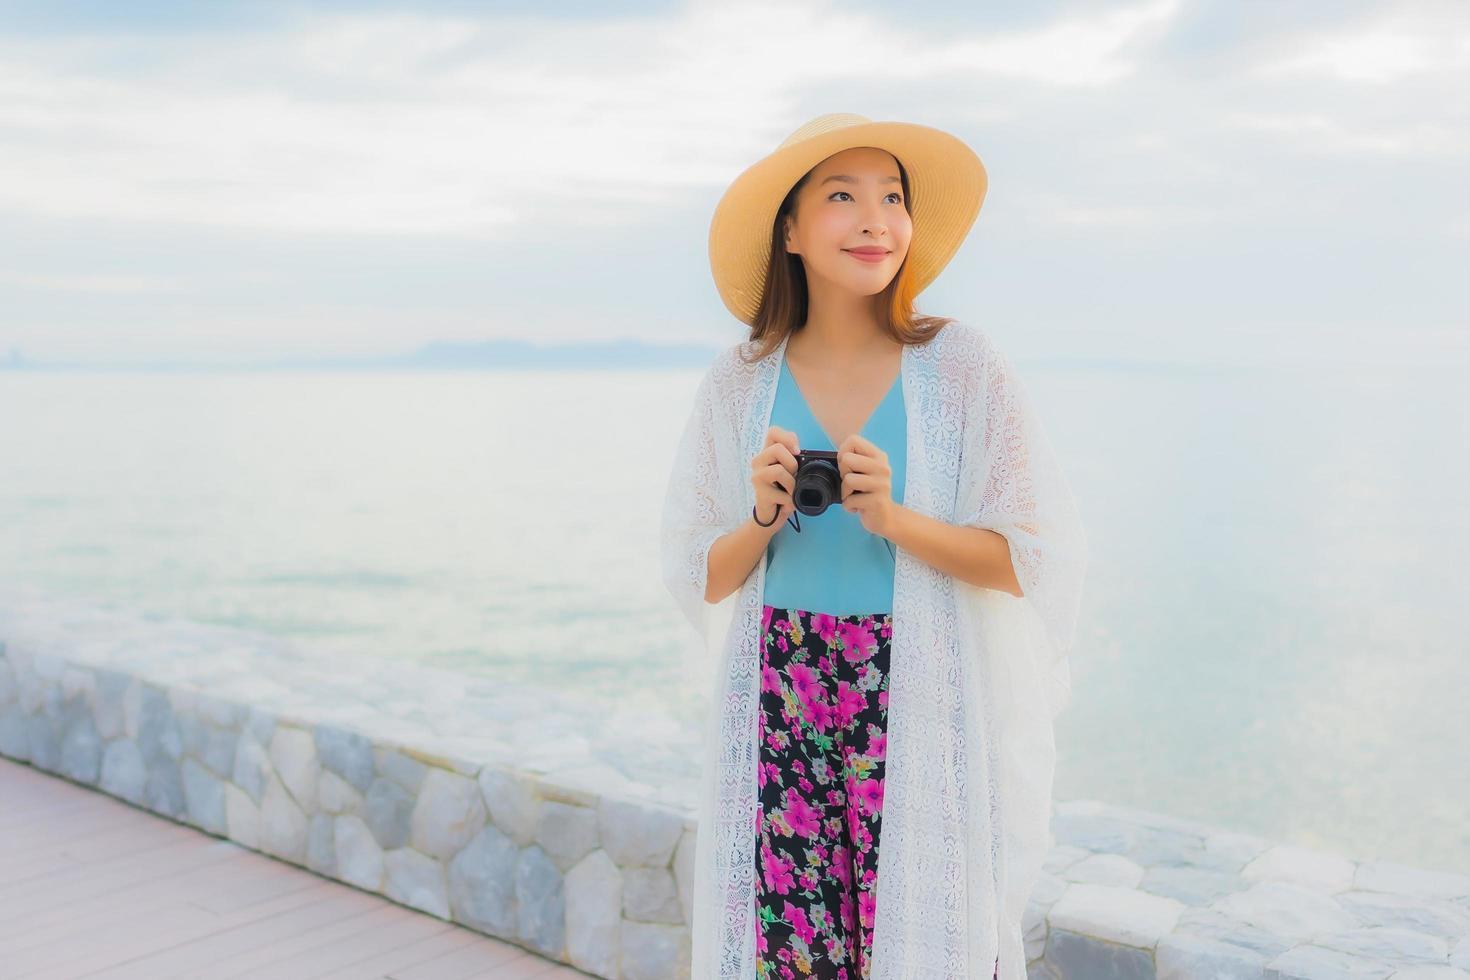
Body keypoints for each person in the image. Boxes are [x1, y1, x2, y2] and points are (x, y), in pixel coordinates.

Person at [661, 113, 1089, 979]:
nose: (876, 220)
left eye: (893, 197)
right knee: (795, 957)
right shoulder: (741, 379)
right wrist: (762, 519)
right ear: (789, 228)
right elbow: (700, 577)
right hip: (782, 689)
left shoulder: (962, 365)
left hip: (917, 686)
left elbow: (1027, 557)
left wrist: (896, 519)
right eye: (843, 195)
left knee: (922, 945)